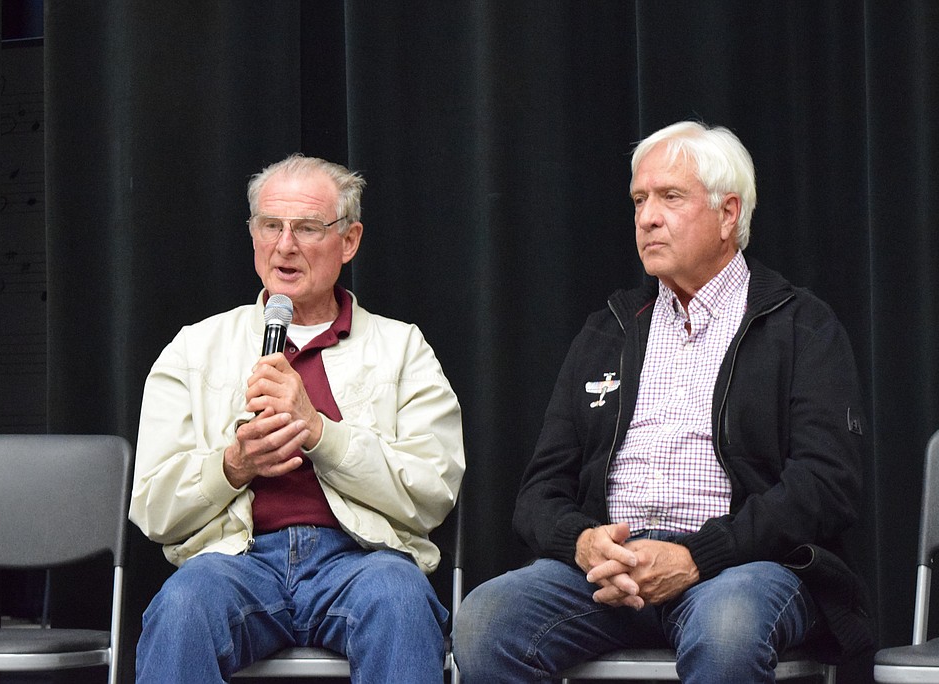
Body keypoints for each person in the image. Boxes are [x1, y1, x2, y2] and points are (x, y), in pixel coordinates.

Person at [453, 121, 873, 683]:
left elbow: (827, 484)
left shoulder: (800, 325)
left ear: (729, 215)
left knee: (725, 630)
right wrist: (581, 543)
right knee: (484, 620)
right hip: (613, 573)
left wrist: (698, 556)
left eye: (670, 197)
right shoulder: (609, 330)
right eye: (639, 200)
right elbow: (538, 492)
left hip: (742, 569)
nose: (647, 217)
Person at [130, 153, 465, 683]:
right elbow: (152, 508)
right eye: (270, 226)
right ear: (253, 234)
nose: (284, 246)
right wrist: (233, 465)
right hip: (235, 560)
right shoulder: (195, 347)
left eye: (307, 228)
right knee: (182, 608)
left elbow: (433, 491)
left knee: (399, 600)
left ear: (349, 241)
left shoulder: (403, 348)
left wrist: (321, 434)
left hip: (360, 557)